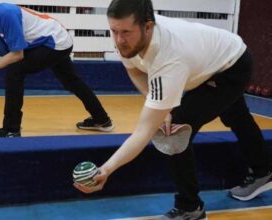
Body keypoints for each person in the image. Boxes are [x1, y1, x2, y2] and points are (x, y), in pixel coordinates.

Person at [74, 0, 272, 219]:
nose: (119, 40)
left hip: (232, 66)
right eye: (114, 31)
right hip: (212, 59)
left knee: (174, 129)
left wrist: (107, 169)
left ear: (148, 26)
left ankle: (190, 208)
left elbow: (144, 131)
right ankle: (264, 170)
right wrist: (158, 102)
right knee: (236, 116)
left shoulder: (168, 57)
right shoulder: (128, 37)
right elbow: (135, 71)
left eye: (125, 32)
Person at [0, 0, 114, 137]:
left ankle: (11, 130)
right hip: (42, 44)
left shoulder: (5, 14)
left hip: (55, 40)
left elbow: (17, 55)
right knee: (71, 82)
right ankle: (102, 120)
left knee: (15, 69)